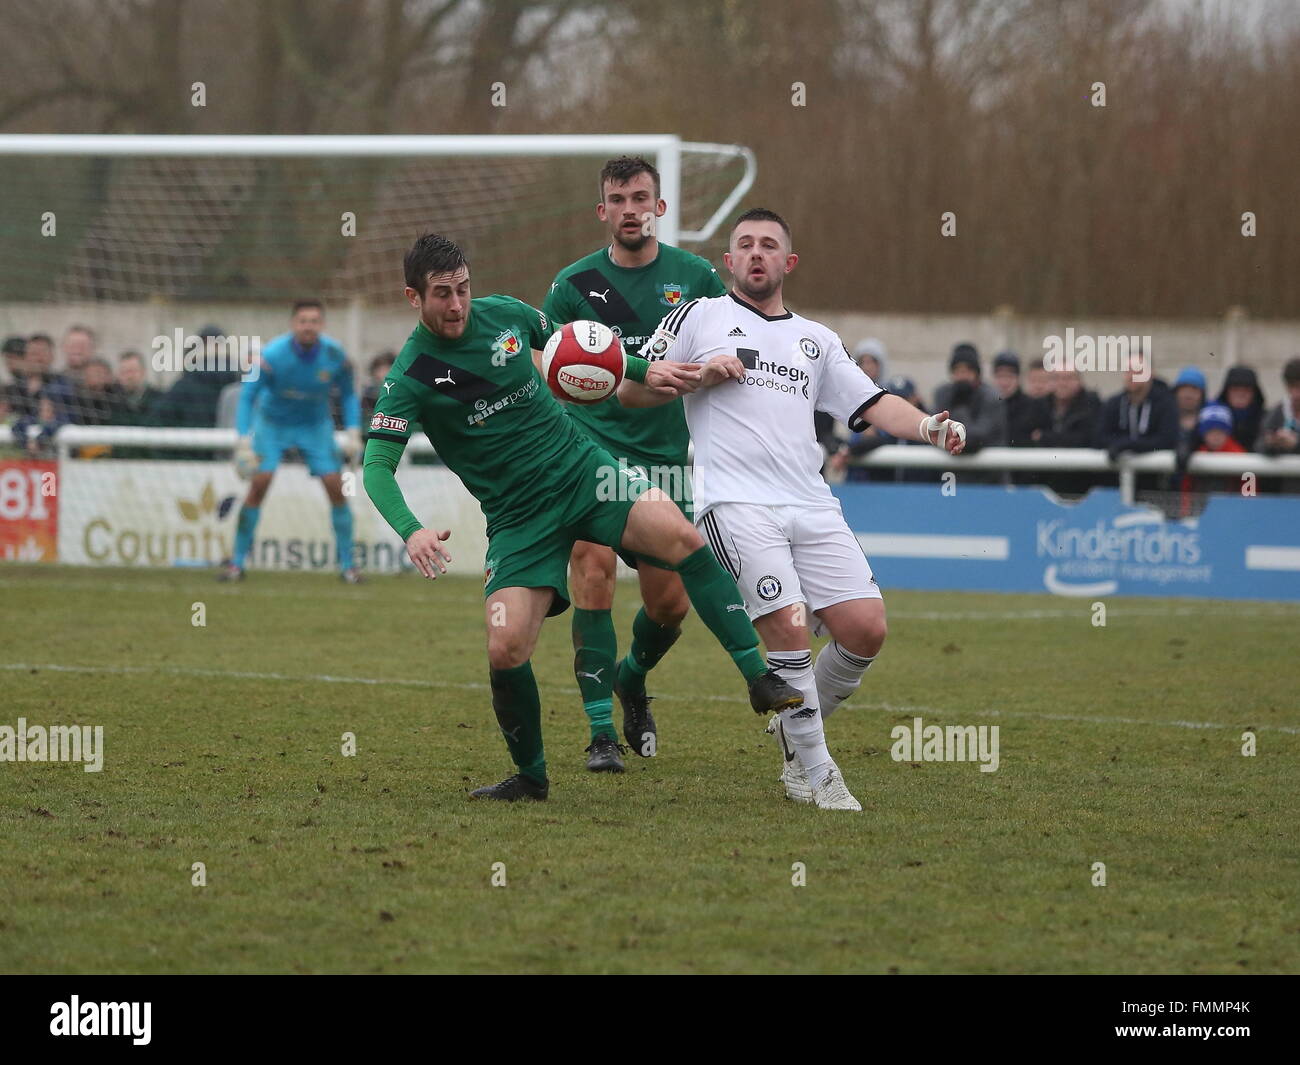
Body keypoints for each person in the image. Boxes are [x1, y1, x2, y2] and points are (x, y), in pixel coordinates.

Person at [362, 232, 806, 802]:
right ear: (412, 298)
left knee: (683, 538)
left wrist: (647, 372)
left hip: (584, 472)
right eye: (442, 294)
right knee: (505, 647)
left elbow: (586, 350)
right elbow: (376, 468)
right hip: (519, 518)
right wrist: (412, 529)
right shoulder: (409, 376)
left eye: (463, 289)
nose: (456, 305)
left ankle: (756, 675)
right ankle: (531, 777)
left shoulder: (506, 315)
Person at [625, 208, 968, 811]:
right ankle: (817, 773)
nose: (757, 254)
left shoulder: (817, 339)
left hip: (811, 501)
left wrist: (927, 428)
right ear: (729, 262)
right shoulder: (698, 316)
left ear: (789, 262)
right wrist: (698, 376)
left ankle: (794, 732)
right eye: (745, 246)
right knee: (786, 627)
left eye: (769, 245)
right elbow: (631, 389)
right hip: (734, 503)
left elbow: (870, 404)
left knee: (865, 629)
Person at [542, 156, 727, 772]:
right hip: (590, 453)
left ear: (660, 208)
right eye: (617, 199)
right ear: (602, 210)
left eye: (640, 198)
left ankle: (631, 678)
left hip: (665, 460)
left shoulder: (696, 277)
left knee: (670, 605)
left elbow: (727, 352)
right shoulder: (572, 285)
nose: (630, 209)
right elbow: (546, 368)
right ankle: (599, 735)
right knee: (591, 574)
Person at [221, 301, 363, 583]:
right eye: (303, 321)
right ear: (293, 324)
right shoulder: (271, 355)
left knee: (336, 487)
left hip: (315, 426)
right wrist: (242, 440)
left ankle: (348, 567)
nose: (308, 326)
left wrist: (353, 432)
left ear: (321, 325)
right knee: (259, 484)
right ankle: (236, 564)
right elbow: (248, 396)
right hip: (273, 425)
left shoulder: (335, 355)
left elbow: (348, 394)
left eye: (314, 321)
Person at [933, 343, 1005, 451]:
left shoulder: (991, 397)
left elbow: (977, 438)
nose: (962, 375)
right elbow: (935, 432)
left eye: (967, 371)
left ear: (976, 373)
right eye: (957, 370)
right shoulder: (943, 394)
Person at [1216, 366, 1266, 451]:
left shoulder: (1266, 419)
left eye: (1246, 390)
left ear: (1255, 394)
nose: (1241, 395)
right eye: (1235, 390)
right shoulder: (1214, 419)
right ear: (1226, 392)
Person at [1259, 357, 1300, 456]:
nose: (1295, 394)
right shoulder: (1276, 413)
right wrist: (1272, 443)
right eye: (1291, 386)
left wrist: (1296, 443)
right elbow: (1259, 445)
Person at [110, 351, 163, 426]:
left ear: (143, 372)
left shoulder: (159, 400)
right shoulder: (112, 402)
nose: (129, 376)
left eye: (132, 371)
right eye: (124, 372)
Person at [360, 351, 396, 431]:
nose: (383, 373)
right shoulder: (369, 393)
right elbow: (365, 419)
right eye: (379, 370)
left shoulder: (404, 392)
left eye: (386, 369)